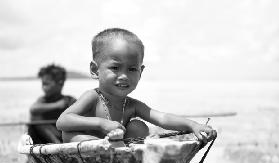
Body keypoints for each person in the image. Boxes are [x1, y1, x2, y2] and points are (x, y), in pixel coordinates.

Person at [56, 28, 216, 143]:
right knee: (71, 135)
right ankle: (112, 150)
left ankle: (121, 154)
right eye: (115, 68)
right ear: (95, 70)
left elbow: (161, 117)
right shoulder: (93, 97)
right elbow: (62, 121)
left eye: (132, 69)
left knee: (139, 126)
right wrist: (101, 123)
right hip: (85, 153)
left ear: (141, 71)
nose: (124, 76)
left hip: (116, 152)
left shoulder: (131, 105)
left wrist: (193, 125)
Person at [29, 63, 77, 144]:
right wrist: (57, 105)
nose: (43, 87)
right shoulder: (43, 100)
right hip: (47, 140)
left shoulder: (69, 100)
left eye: (46, 84)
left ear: (60, 83)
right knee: (35, 119)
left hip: (65, 137)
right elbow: (33, 109)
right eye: (42, 84)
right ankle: (57, 145)